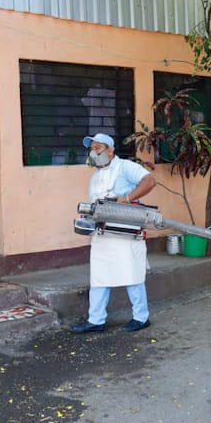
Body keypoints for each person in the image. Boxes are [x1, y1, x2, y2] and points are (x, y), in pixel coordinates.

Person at [71, 133, 158, 334]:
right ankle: (96, 320)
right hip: (102, 234)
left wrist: (127, 198)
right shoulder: (95, 176)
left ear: (111, 150)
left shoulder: (125, 167)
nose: (94, 152)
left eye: (98, 148)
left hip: (126, 232)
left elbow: (149, 181)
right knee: (99, 277)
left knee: (132, 274)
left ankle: (141, 317)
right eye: (92, 148)